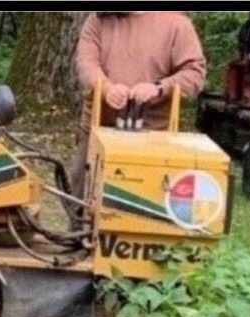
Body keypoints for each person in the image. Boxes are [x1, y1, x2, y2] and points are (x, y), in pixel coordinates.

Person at [70, 12, 207, 201]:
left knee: (144, 204)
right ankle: (81, 229)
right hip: (98, 128)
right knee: (81, 196)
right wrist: (108, 89)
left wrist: (158, 88)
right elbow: (87, 64)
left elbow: (194, 73)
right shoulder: (98, 20)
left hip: (154, 133)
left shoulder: (176, 23)